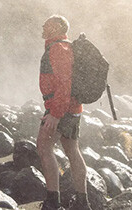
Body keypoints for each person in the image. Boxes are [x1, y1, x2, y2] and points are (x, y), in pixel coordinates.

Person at [37, 15, 91, 210]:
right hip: (73, 108)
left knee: (44, 147)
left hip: (62, 108)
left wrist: (55, 114)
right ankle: (82, 202)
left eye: (48, 23)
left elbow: (64, 83)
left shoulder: (59, 48)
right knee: (72, 150)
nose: (43, 26)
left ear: (58, 27)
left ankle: (53, 202)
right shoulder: (64, 47)